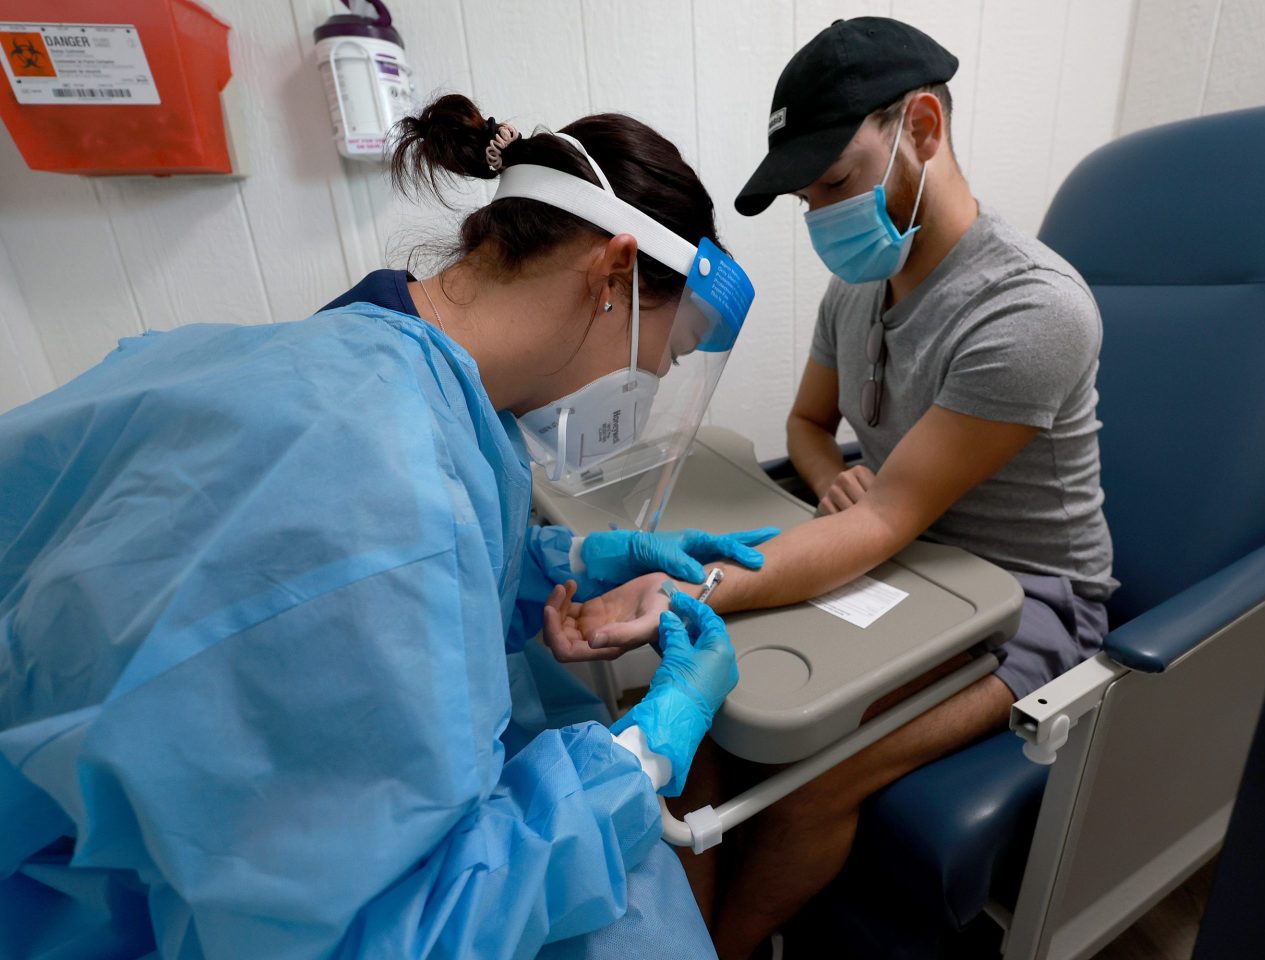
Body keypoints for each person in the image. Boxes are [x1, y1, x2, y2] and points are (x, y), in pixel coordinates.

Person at [0, 93, 767, 960]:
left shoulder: (356, 357)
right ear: (612, 273)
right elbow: (389, 936)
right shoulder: (387, 482)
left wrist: (570, 559)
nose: (649, 388)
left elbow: (329, 595)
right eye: (660, 358)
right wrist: (644, 757)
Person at [545, 18, 1116, 959]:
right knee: (688, 724)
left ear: (922, 127)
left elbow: (891, 515)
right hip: (903, 567)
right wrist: (830, 474)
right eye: (809, 197)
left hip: (1028, 604)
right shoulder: (858, 292)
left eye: (838, 183)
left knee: (812, 776)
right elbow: (810, 430)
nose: (823, 218)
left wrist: (686, 584)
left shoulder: (1031, 310)